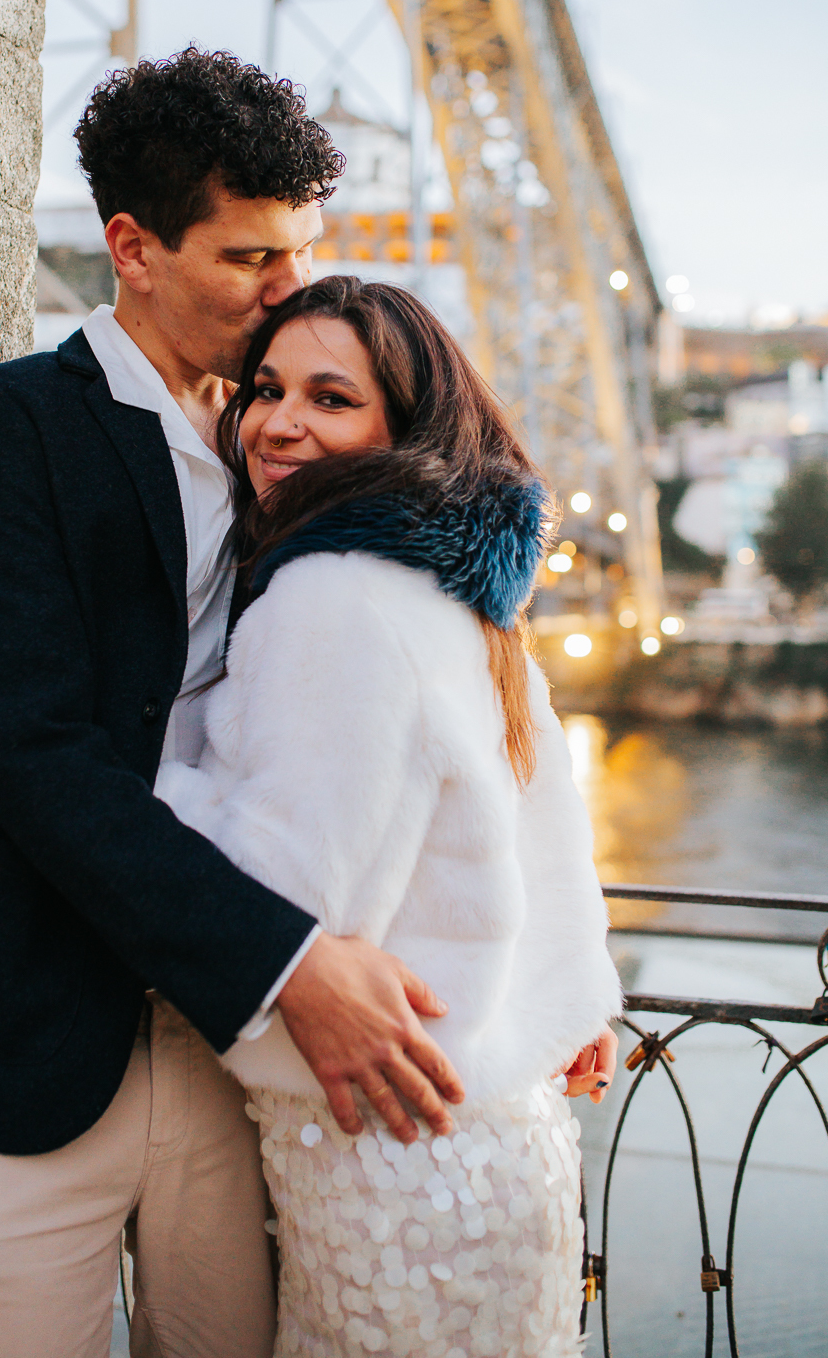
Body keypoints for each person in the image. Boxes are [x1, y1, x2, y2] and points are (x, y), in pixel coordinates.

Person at [0, 51, 465, 1358]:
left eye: (301, 250)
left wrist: (535, 982)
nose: (291, 289)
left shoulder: (289, 438)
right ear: (132, 247)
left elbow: (434, 699)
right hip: (24, 1044)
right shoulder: (13, 425)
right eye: (249, 258)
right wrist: (287, 963)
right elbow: (36, 754)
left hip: (223, 1063)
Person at [155, 274, 622, 1358]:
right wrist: (570, 1001)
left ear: (399, 431)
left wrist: (148, 774)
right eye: (265, 389)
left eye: (330, 398)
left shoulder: (330, 595)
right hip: (503, 1143)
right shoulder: (467, 601)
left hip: (389, 1156)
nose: (277, 422)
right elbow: (550, 841)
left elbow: (285, 895)